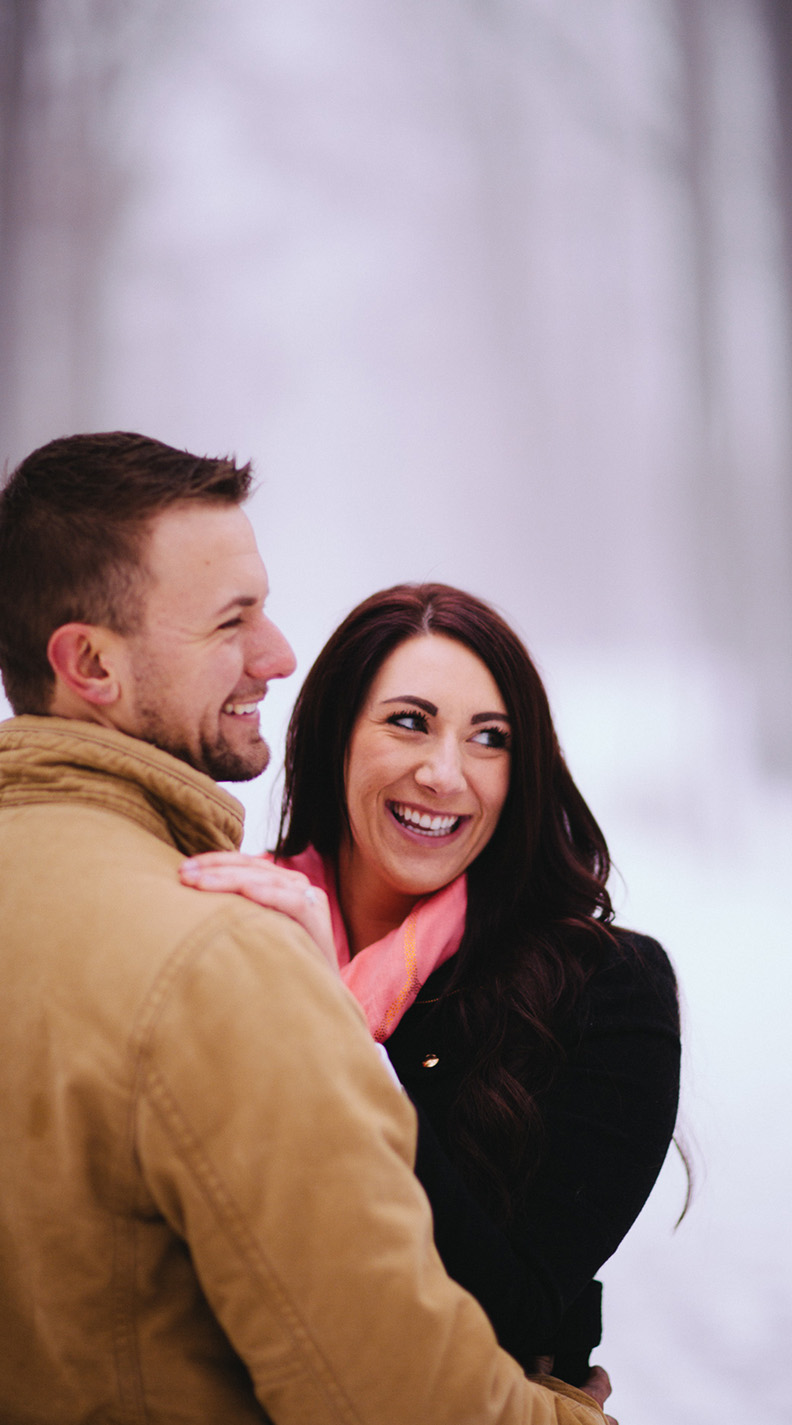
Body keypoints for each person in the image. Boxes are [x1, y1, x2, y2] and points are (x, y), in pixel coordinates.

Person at [0, 431, 608, 1423]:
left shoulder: (597, 983)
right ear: (90, 665)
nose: (277, 655)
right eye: (232, 621)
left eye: (490, 737)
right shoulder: (225, 957)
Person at [176, 583, 682, 1390]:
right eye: (409, 721)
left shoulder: (607, 988)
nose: (446, 774)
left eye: (490, 738)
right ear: (336, 734)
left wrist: (340, 1043)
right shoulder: (223, 928)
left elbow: (510, 1311)